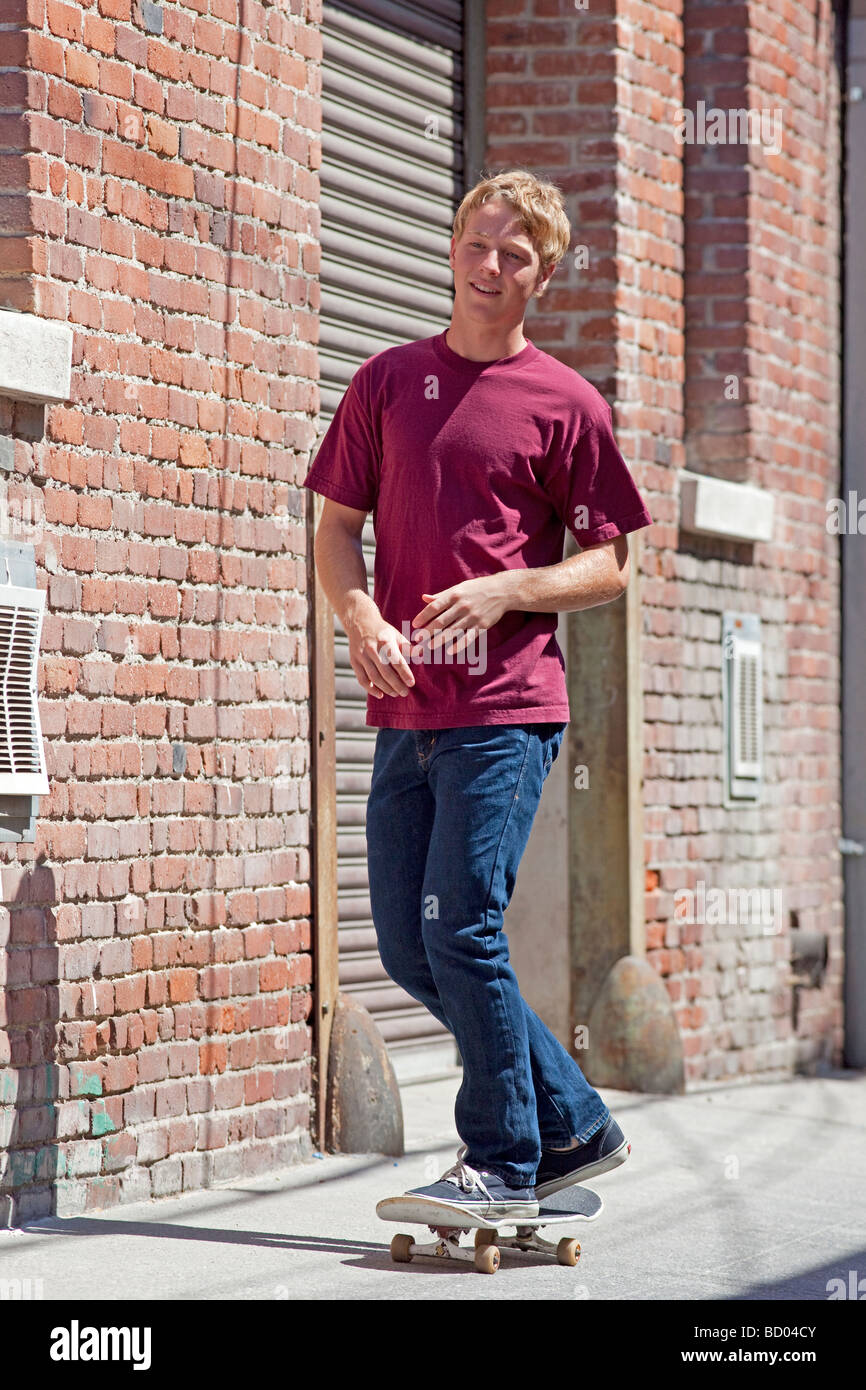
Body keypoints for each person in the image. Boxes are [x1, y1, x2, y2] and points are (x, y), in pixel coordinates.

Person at [303, 169, 653, 1220]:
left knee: (463, 925)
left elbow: (611, 563)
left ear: (540, 276)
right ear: (452, 248)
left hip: (504, 711)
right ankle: (573, 1122)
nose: (489, 266)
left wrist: (509, 586)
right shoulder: (384, 381)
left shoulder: (565, 403)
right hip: (404, 711)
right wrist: (356, 618)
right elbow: (332, 529)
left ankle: (501, 1161)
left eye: (513, 254)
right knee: (413, 945)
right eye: (477, 243)